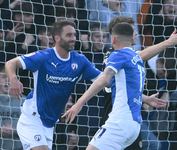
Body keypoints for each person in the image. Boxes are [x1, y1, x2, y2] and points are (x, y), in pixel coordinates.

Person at [62, 22, 171, 150]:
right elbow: (128, 88)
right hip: (134, 125)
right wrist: (146, 99)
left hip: (120, 121)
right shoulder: (137, 60)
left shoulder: (118, 54)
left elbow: (104, 79)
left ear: (113, 39)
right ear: (131, 38)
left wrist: (79, 103)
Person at [5, 19, 101, 150]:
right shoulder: (44, 57)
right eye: (69, 35)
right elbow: (10, 63)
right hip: (32, 118)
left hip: (49, 124)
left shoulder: (80, 61)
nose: (73, 38)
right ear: (57, 38)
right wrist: (13, 79)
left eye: (74, 34)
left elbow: (102, 79)